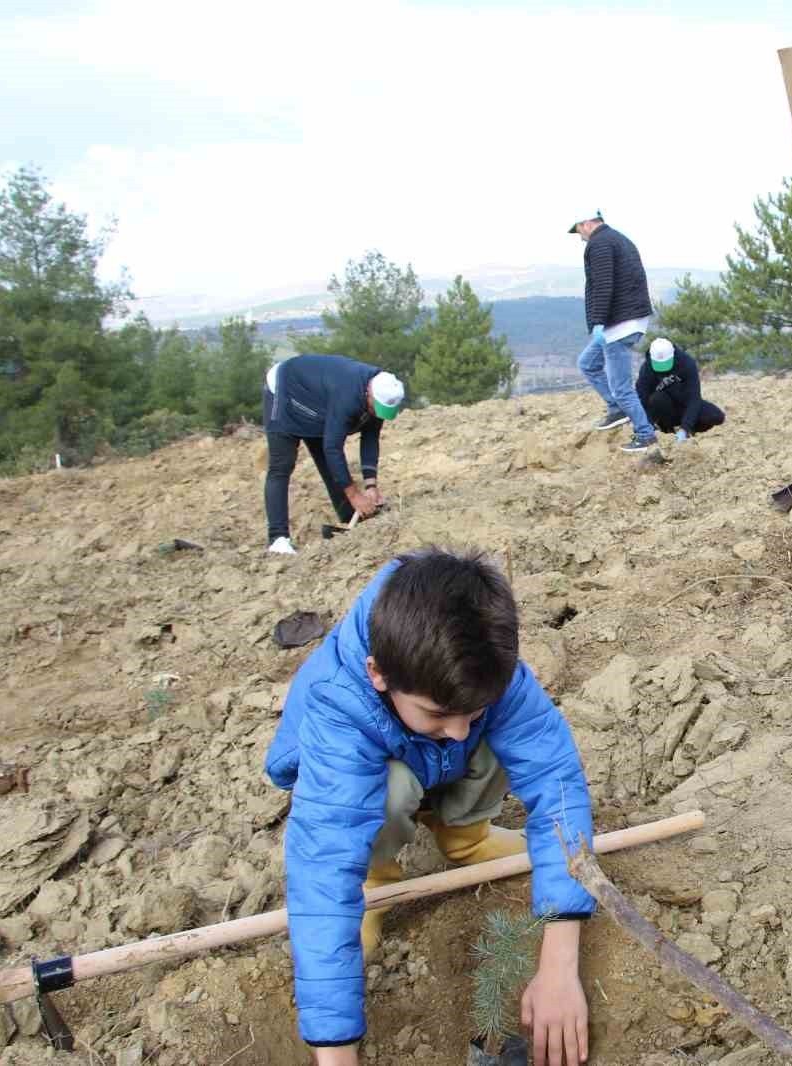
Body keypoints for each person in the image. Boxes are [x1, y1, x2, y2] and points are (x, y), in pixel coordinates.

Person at [264, 548, 595, 1066]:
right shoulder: (339, 710)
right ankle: (376, 877)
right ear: (378, 674)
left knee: (502, 737)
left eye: (473, 711)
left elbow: (555, 782)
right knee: (389, 789)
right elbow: (324, 868)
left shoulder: (481, 661)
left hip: (435, 763)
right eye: (438, 712)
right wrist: (334, 1052)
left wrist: (559, 965)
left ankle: (465, 837)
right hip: (374, 777)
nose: (459, 730)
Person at [263, 354, 403, 555]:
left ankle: (348, 517)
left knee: (330, 464)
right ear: (369, 395)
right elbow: (333, 448)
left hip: (316, 399)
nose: (376, 413)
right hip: (285, 388)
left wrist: (371, 485)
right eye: (376, 408)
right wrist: (354, 495)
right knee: (281, 466)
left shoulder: (380, 392)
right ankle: (278, 539)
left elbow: (370, 438)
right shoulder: (347, 396)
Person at [570, 210, 657, 453]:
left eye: (577, 230)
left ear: (586, 223)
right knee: (588, 363)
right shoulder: (618, 238)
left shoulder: (600, 244)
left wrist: (598, 321)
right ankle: (617, 409)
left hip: (619, 325)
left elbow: (603, 285)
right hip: (627, 319)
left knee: (621, 387)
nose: (579, 236)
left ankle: (645, 434)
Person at [635, 337, 726, 441]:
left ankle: (688, 432)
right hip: (662, 409)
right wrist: (648, 426)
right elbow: (642, 400)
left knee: (716, 416)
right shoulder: (646, 369)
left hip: (683, 404)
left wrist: (685, 428)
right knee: (657, 398)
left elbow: (694, 398)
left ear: (673, 355)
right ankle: (666, 429)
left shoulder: (687, 363)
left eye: (665, 363)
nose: (662, 368)